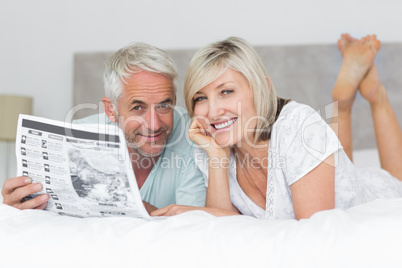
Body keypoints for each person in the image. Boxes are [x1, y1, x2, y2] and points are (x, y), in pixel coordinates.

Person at [152, 35, 402, 219]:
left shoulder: (298, 126)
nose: (213, 111)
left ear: (262, 87)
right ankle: (343, 104)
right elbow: (225, 234)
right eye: (200, 98)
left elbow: (315, 234)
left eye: (226, 92)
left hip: (380, 197)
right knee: (340, 166)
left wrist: (205, 214)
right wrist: (217, 157)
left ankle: (373, 96)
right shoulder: (210, 149)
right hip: (339, 181)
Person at [1, 42, 206, 212]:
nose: (154, 124)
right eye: (137, 107)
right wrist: (13, 207)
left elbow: (192, 226)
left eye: (164, 105)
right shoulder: (75, 138)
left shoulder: (194, 136)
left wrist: (125, 204)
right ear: (111, 109)